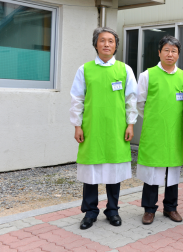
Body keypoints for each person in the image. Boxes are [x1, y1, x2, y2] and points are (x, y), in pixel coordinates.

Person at [70, 27, 138, 230]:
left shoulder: (125, 70)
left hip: (117, 129)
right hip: (92, 129)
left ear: (116, 45)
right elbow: (77, 99)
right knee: (91, 171)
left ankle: (113, 210)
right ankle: (90, 212)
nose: (106, 44)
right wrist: (77, 125)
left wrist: (131, 124)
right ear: (95, 44)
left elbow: (131, 99)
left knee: (114, 171)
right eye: (102, 40)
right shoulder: (85, 69)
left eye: (111, 41)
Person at [136, 35, 183, 225]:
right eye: (166, 50)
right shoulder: (147, 75)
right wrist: (155, 118)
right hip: (155, 132)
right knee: (152, 171)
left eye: (174, 51)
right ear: (159, 52)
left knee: (172, 172)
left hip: (175, 132)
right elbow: (140, 103)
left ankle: (170, 208)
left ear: (178, 54)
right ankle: (149, 209)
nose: (170, 54)